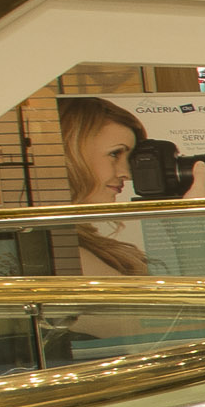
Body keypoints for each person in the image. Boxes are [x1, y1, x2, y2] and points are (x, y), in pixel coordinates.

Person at [57, 96, 149, 277]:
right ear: (71, 152)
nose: (126, 174)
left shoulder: (72, 243)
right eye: (115, 154)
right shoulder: (69, 254)